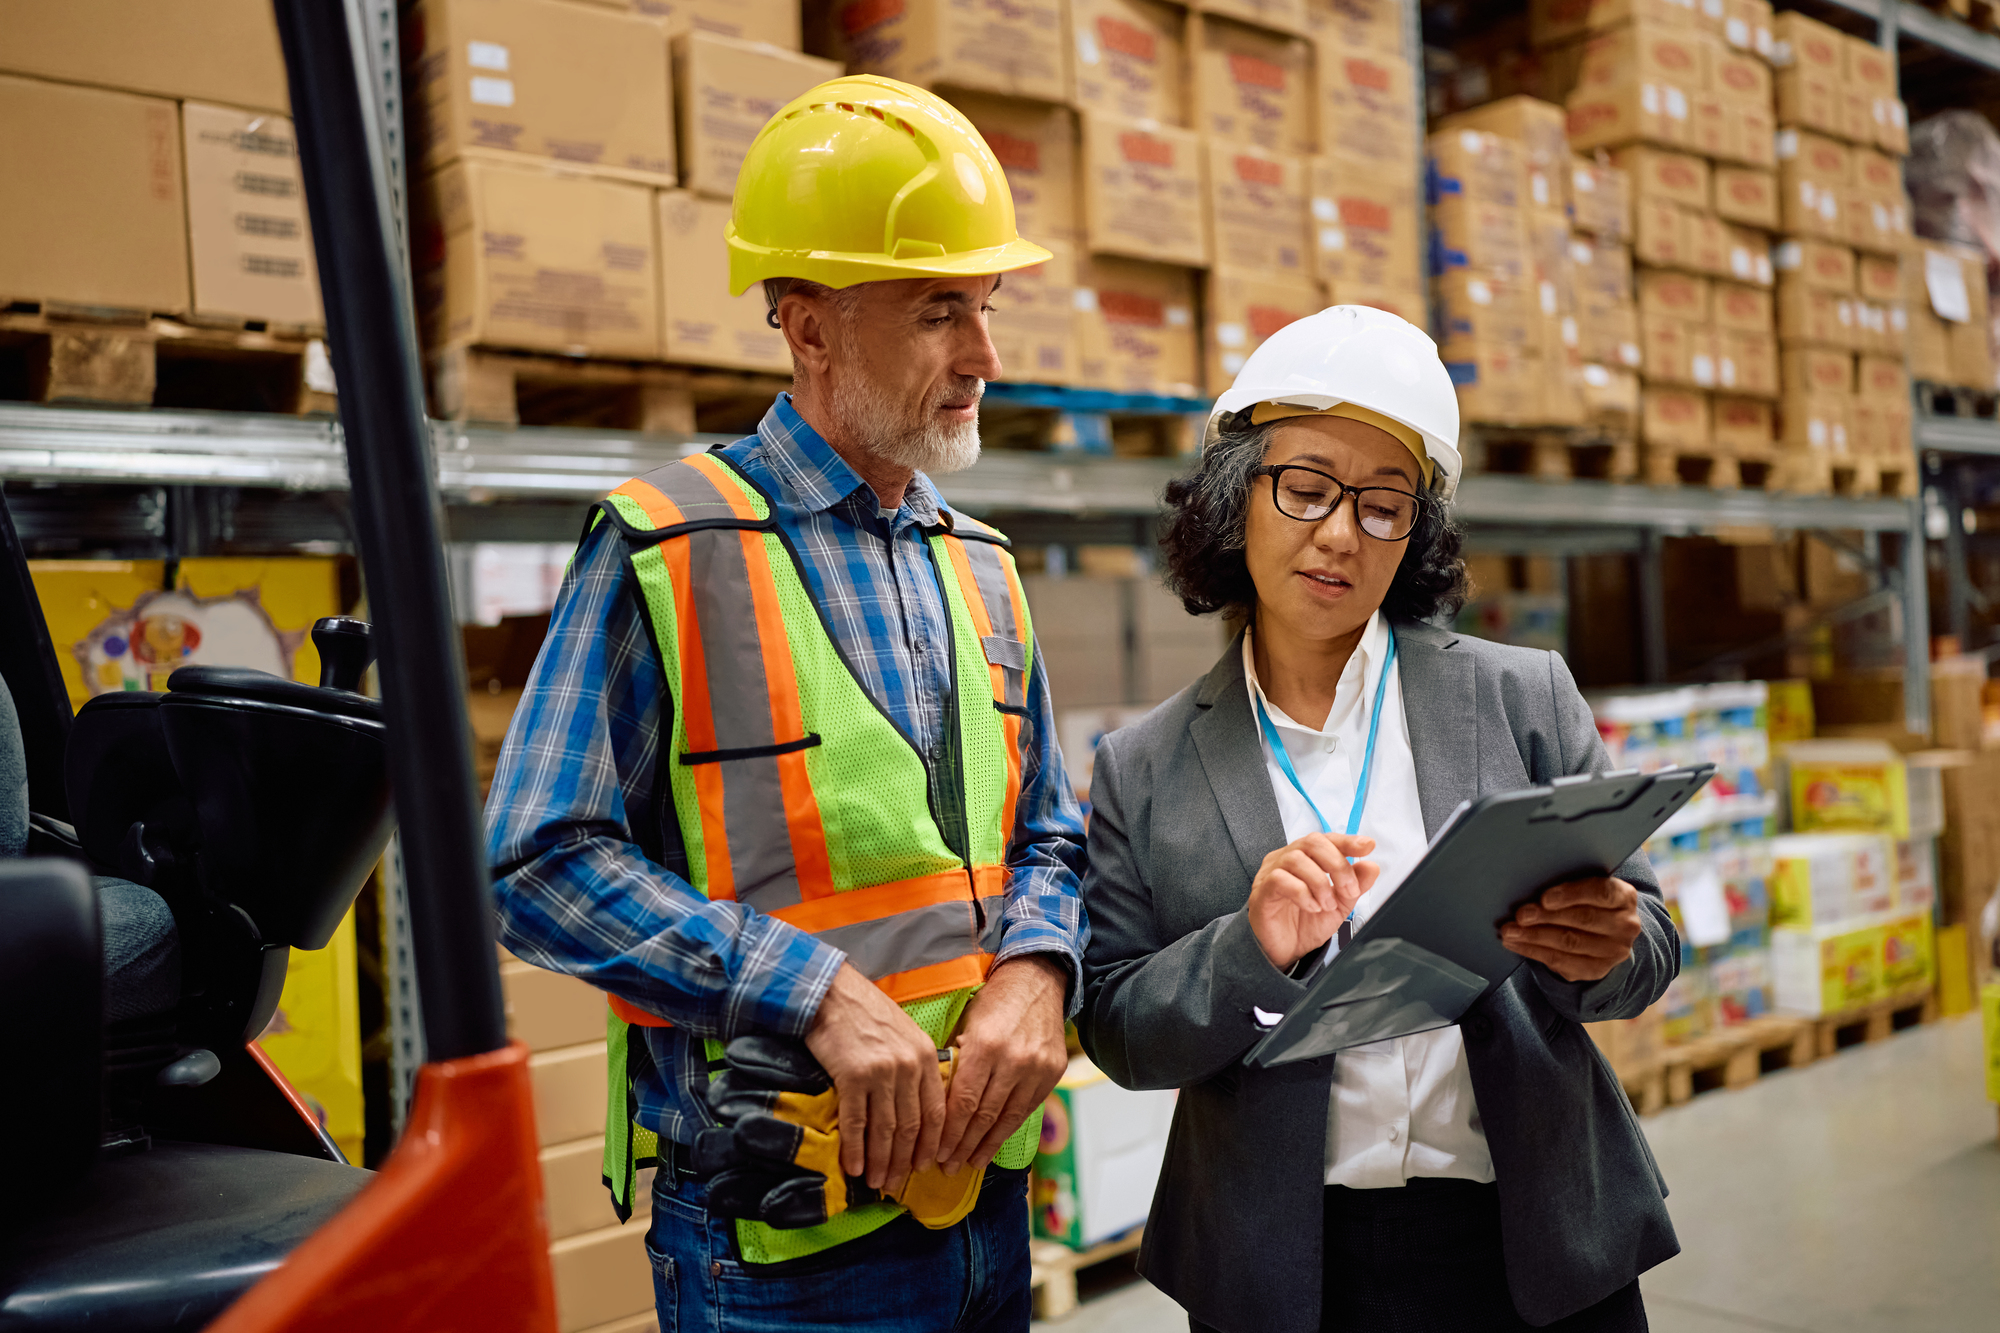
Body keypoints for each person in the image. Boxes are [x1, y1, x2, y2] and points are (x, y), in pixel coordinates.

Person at [486, 76, 1087, 1331]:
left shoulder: (980, 565)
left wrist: (1037, 967)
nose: (985, 359)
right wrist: (805, 987)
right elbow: (534, 861)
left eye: (983, 308)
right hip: (784, 1248)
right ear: (809, 328)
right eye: (939, 315)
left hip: (981, 1207)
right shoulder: (667, 547)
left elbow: (1047, 834)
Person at [1075, 306, 1680, 1333]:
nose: (1339, 532)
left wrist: (1602, 948)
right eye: (1305, 489)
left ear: (1416, 533)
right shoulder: (1142, 767)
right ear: (1236, 501)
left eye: (1383, 505)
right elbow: (1117, 1027)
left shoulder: (1521, 698)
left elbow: (1650, 942)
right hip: (1288, 1266)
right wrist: (1246, 950)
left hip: (1530, 1242)